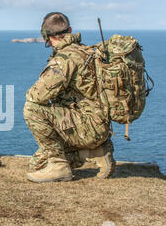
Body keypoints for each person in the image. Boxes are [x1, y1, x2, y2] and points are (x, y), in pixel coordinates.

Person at [23, 12, 115, 183]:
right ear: (70, 30)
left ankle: (59, 167)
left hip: (86, 127)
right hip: (98, 126)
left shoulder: (65, 59)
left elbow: (37, 96)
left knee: (31, 109)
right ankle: (94, 151)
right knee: (36, 165)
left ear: (47, 37)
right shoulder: (86, 51)